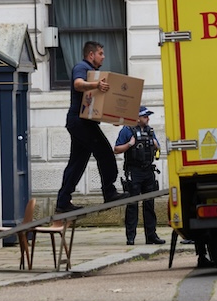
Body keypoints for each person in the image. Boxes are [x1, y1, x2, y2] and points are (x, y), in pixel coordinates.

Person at [55, 41, 123, 214]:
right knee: (105, 153)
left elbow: (96, 104)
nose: (104, 56)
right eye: (101, 53)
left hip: (82, 122)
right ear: (91, 55)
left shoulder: (94, 74)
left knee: (77, 163)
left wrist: (113, 117)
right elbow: (78, 84)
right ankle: (109, 192)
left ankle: (63, 202)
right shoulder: (82, 67)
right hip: (80, 123)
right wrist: (96, 85)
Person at [114, 105, 165, 245]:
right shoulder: (127, 130)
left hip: (148, 171)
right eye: (145, 116)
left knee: (149, 204)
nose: (147, 118)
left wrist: (156, 145)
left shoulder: (150, 131)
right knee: (132, 205)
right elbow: (117, 149)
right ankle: (131, 237)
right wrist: (130, 144)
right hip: (134, 172)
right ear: (136, 118)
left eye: (148, 116)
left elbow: (158, 148)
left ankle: (151, 236)